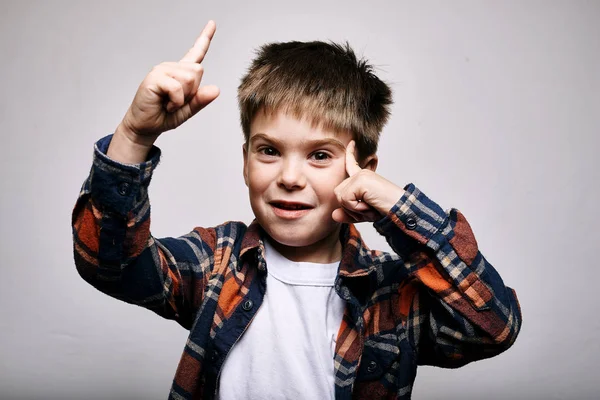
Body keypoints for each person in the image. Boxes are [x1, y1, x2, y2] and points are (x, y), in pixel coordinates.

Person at [72, 20, 522, 400]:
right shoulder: (218, 262)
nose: (290, 176)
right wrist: (133, 136)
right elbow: (111, 264)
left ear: (362, 172)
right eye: (269, 150)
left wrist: (398, 211)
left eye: (320, 155)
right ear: (245, 161)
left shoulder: (389, 291)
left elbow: (492, 327)